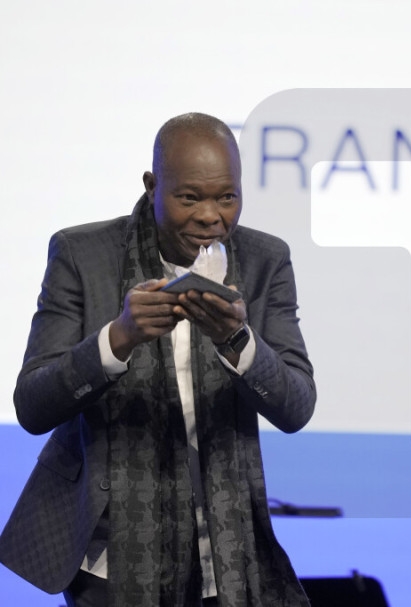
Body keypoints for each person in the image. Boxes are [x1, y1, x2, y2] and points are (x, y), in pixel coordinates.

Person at [0, 113, 316, 606]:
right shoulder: (82, 254)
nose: (211, 216)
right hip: (107, 556)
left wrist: (236, 339)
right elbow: (33, 406)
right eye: (189, 197)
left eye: (227, 197)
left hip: (225, 554)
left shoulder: (264, 259)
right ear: (152, 186)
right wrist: (118, 338)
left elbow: (296, 407)